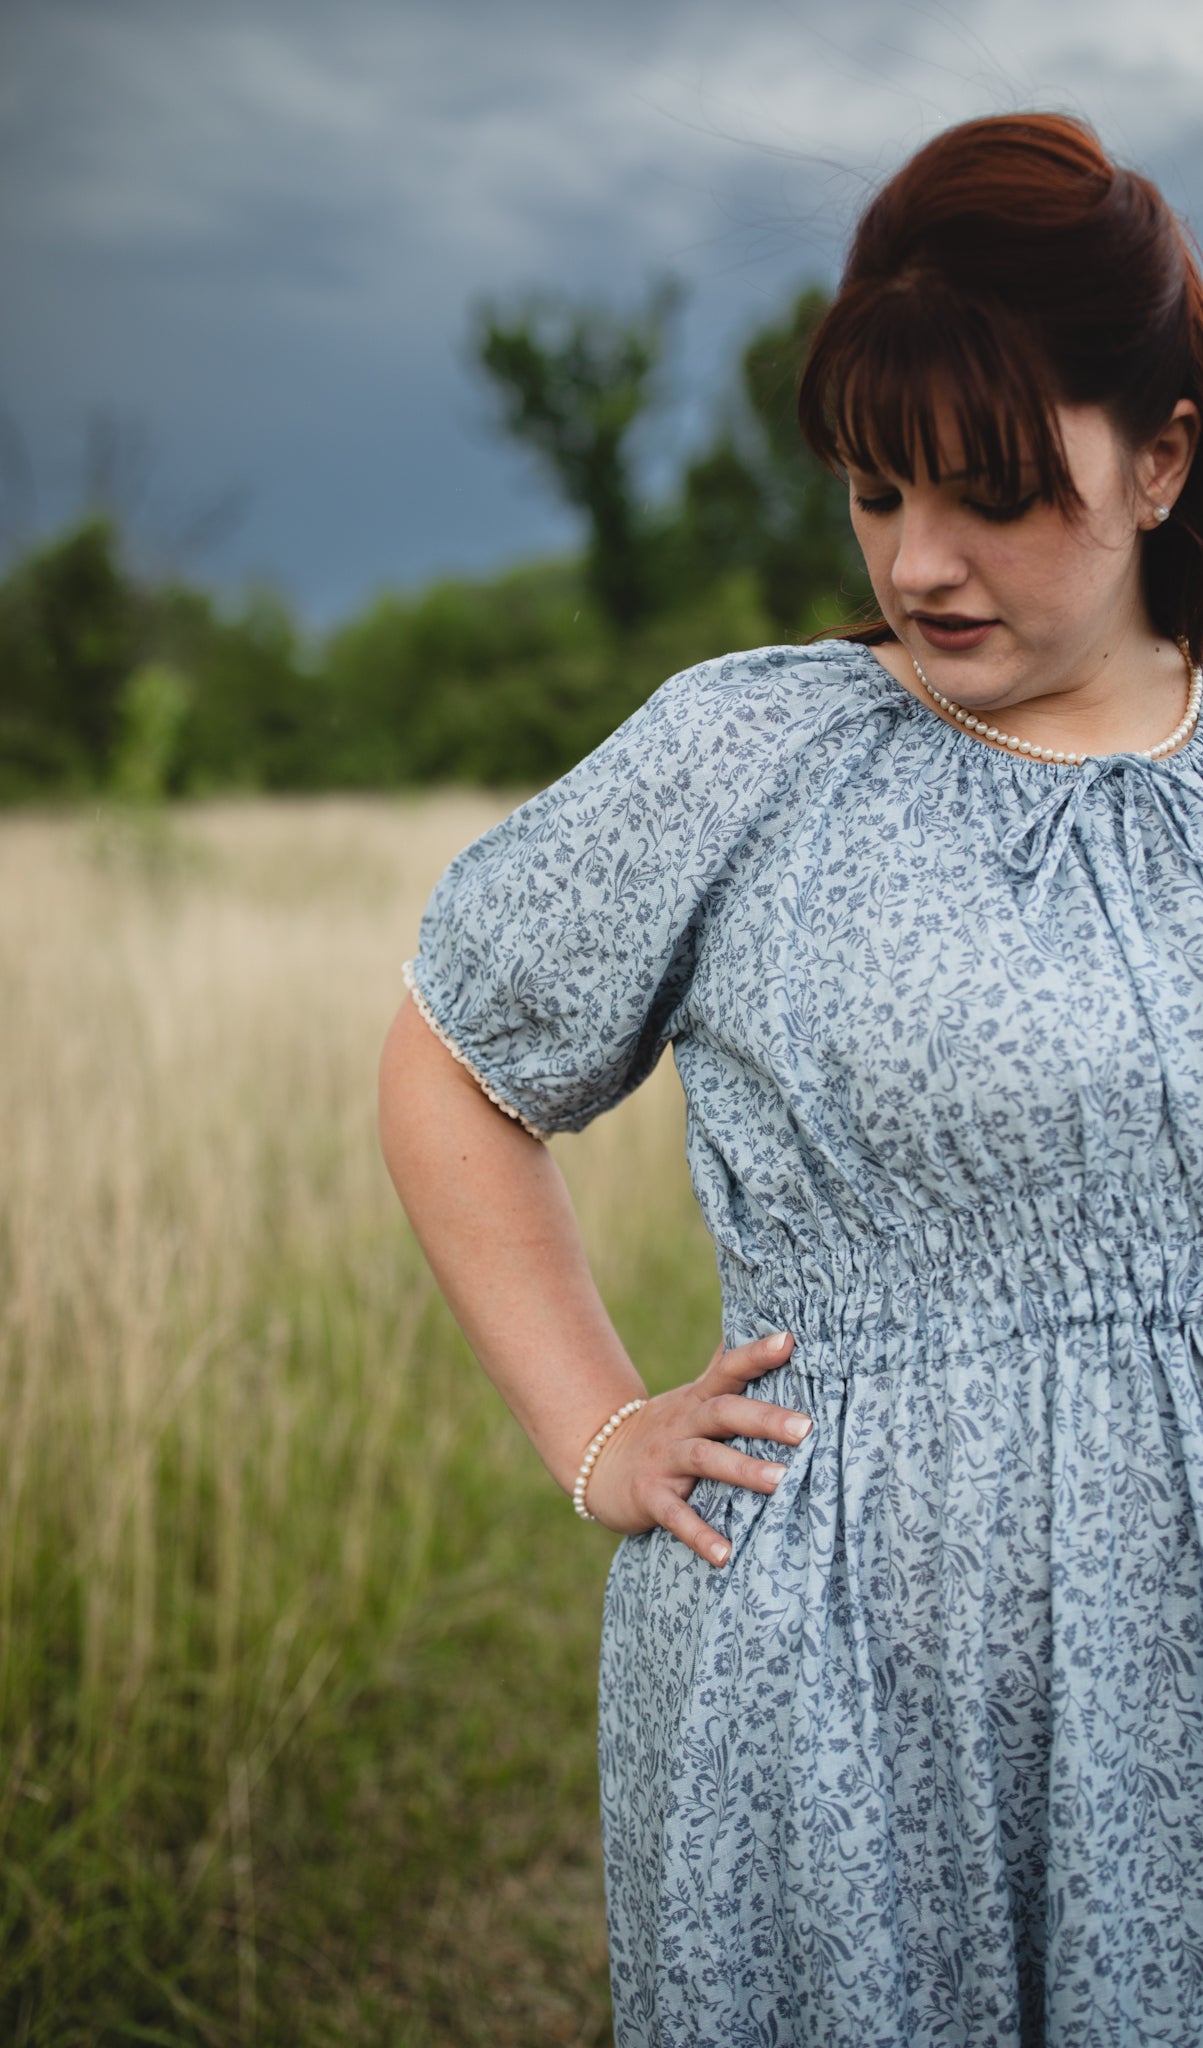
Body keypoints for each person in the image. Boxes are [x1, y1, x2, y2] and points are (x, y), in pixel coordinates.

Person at [377, 112, 1203, 2047]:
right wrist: (596, 1432)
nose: (921, 561)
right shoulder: (753, 758)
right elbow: (454, 1061)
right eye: (872, 491)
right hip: (831, 1685)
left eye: (995, 495)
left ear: (1162, 458)